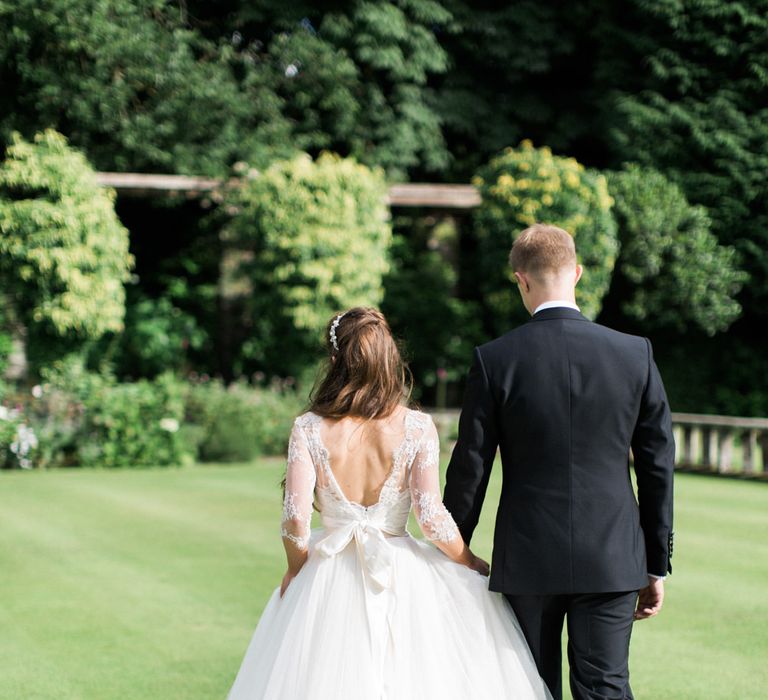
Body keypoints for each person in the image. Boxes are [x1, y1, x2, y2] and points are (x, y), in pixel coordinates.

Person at [227, 307, 551, 700]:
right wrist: (467, 559)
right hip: (402, 571)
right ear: (388, 359)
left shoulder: (309, 427)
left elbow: (295, 519)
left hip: (327, 573)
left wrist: (296, 569)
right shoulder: (415, 426)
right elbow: (430, 517)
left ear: (335, 361)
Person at [443, 223, 675, 700]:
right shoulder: (635, 353)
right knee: (606, 689)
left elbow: (471, 467)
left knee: (529, 689)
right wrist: (656, 565)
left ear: (520, 280)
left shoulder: (494, 359)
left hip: (527, 557)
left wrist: (455, 550)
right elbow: (657, 465)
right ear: (579, 274)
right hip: (611, 556)